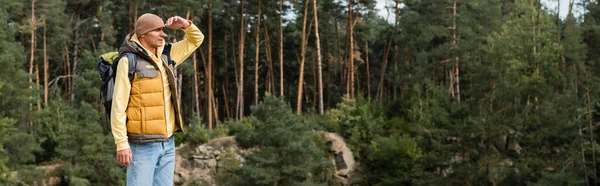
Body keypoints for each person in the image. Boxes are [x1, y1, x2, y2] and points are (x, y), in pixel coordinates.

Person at [111, 13, 204, 185]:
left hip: (168, 143)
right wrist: (121, 143)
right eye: (157, 30)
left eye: (163, 29)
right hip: (142, 146)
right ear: (143, 34)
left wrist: (185, 25)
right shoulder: (128, 61)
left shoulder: (167, 55)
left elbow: (196, 40)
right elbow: (118, 106)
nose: (162, 34)